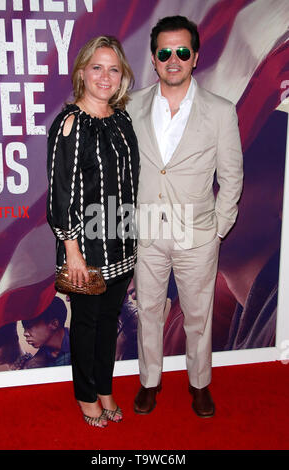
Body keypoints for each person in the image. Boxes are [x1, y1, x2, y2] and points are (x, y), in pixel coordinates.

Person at [127, 16, 243, 417]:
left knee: (198, 316)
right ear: (155, 59)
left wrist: (218, 230)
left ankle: (199, 385)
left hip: (198, 236)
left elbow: (231, 176)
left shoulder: (220, 111)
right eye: (164, 52)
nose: (172, 59)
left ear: (195, 56)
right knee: (149, 314)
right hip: (147, 234)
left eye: (181, 51)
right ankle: (149, 382)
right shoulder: (132, 106)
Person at [46, 36, 139, 428]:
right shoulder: (70, 124)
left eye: (113, 69)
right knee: (86, 324)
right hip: (85, 245)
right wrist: (72, 249)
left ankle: (104, 388)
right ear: (82, 72)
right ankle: (86, 396)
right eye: (97, 67)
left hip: (122, 239)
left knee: (110, 321)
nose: (105, 76)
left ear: (123, 77)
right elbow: (59, 191)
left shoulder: (121, 119)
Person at [22, 297, 71, 368]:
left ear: (54, 324)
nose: (25, 334)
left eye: (29, 327)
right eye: (24, 328)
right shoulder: (37, 360)